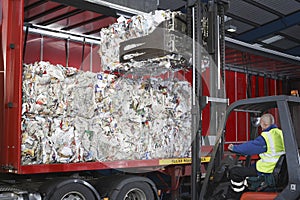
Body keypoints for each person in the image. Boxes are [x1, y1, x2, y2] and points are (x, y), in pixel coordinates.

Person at [225, 113, 285, 199]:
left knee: (235, 172)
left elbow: (250, 147)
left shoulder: (267, 136)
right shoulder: (281, 133)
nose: (260, 127)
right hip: (277, 170)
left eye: (260, 124)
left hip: (266, 172)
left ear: (264, 124)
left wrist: (234, 148)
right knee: (249, 168)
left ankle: (236, 196)